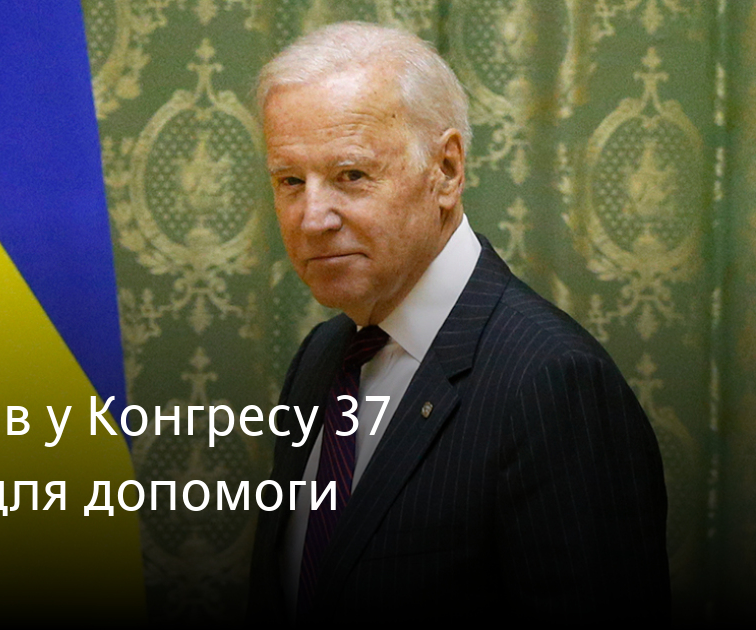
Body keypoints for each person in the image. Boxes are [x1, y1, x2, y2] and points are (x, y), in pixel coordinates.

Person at [247, 22, 670, 624]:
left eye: (351, 175)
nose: (313, 218)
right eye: (290, 181)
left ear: (445, 171)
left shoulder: (552, 383)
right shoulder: (322, 356)